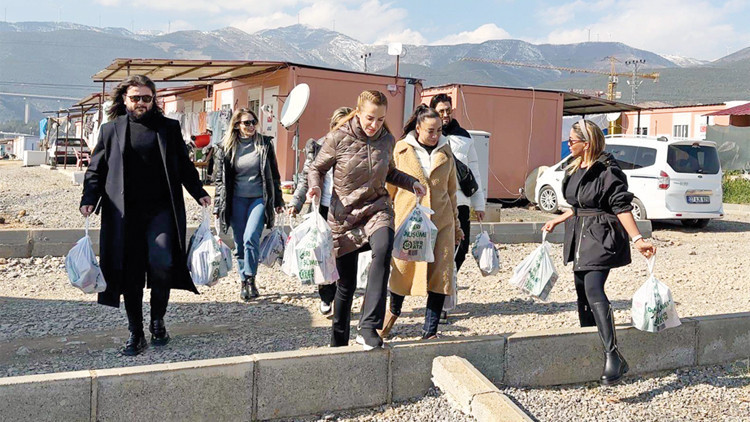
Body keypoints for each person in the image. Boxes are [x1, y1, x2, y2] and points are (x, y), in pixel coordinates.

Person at [80, 75, 211, 356]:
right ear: (125, 99)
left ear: (154, 100)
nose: (141, 102)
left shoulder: (168, 128)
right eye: (135, 98)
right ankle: (136, 332)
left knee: (163, 262)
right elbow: (96, 170)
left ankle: (157, 320)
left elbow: (184, 166)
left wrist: (198, 191)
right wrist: (88, 199)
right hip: (123, 214)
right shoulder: (110, 130)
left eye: (146, 98)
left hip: (161, 212)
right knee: (131, 273)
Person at [307, 90, 427, 350]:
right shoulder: (338, 137)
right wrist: (314, 187)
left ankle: (368, 327)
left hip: (377, 208)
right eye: (370, 118)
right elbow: (317, 167)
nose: (374, 125)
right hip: (344, 216)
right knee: (345, 285)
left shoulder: (387, 140)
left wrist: (412, 182)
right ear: (358, 112)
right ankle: (339, 342)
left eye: (381, 119)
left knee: (383, 250)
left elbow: (390, 172)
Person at [541, 119, 656, 386]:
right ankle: (594, 346)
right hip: (580, 235)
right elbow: (579, 205)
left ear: (587, 143)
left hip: (601, 235)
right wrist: (559, 219)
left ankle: (613, 356)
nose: (568, 144)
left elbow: (621, 206)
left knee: (593, 288)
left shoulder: (607, 170)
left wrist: (638, 239)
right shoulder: (575, 166)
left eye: (572, 140)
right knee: (582, 290)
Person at [382, 105, 463, 340]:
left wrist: (456, 226)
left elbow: (451, 192)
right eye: (430, 130)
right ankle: (389, 318)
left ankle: (430, 331)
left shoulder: (446, 152)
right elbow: (388, 190)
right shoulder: (401, 150)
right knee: (402, 271)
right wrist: (386, 220)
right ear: (418, 128)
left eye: (439, 130)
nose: (435, 135)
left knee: (440, 275)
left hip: (441, 222)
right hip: (409, 222)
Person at [213, 108, 285, 301]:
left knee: (251, 237)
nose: (251, 126)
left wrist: (278, 200)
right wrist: (217, 206)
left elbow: (274, 175)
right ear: (237, 125)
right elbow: (220, 180)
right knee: (239, 242)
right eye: (247, 123)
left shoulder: (264, 144)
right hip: (235, 199)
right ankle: (244, 281)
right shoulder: (226, 147)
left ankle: (251, 278)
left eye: (254, 122)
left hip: (259, 199)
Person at [288, 106, 353, 316]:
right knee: (323, 253)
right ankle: (326, 295)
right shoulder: (318, 147)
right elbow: (306, 178)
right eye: (340, 126)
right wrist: (296, 203)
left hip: (348, 210)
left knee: (343, 255)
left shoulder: (357, 148)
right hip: (323, 208)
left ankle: (342, 297)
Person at [430, 93, 486, 323]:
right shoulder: (428, 135)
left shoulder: (464, 137)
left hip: (461, 201)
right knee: (438, 252)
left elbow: (474, 170)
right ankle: (439, 300)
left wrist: (479, 203)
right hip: (437, 202)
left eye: (448, 110)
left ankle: (444, 291)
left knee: (460, 250)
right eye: (441, 111)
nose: (445, 114)